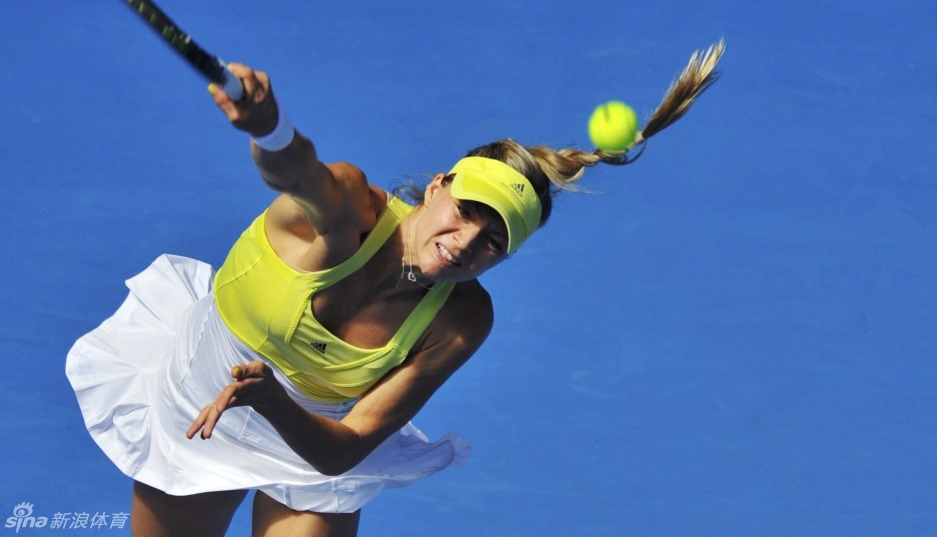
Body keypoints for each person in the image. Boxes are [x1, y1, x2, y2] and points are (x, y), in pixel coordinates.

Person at [66, 41, 724, 536]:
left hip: (309, 435)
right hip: (203, 398)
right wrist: (268, 126)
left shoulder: (460, 320)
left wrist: (272, 400)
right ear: (438, 185)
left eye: (492, 241)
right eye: (466, 211)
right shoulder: (349, 209)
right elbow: (296, 169)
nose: (466, 242)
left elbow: (344, 448)